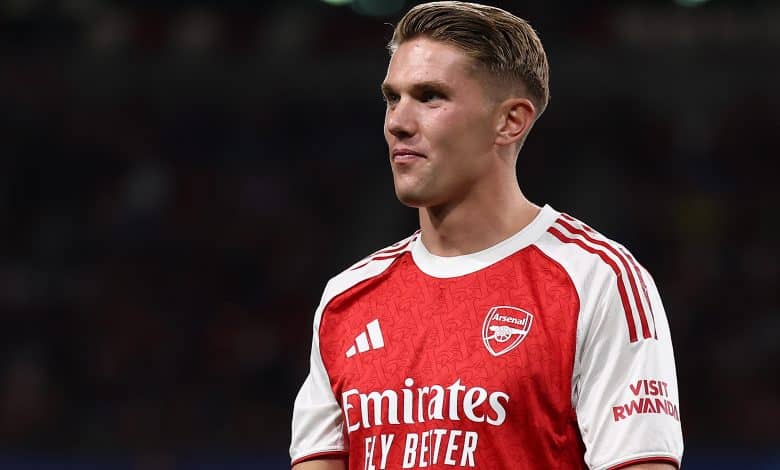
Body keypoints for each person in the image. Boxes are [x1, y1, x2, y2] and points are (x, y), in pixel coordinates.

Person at [290, 2, 683, 469]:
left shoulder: (597, 280)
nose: (398, 121)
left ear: (510, 121)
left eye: (430, 96)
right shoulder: (346, 299)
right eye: (392, 98)